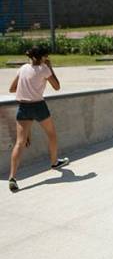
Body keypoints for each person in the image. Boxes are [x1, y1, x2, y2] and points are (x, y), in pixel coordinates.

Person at [8, 46, 69, 192]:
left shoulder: (23, 68)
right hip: (39, 107)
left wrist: (27, 88)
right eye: (45, 56)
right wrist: (50, 67)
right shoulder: (44, 69)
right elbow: (57, 87)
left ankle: (12, 177)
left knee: (20, 142)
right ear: (42, 57)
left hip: (23, 107)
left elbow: (12, 89)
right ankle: (54, 163)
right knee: (52, 135)